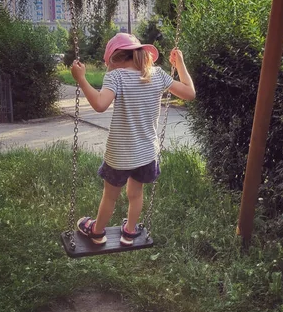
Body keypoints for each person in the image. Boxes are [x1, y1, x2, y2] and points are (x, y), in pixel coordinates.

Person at [70, 32, 196, 246]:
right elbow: (189, 93)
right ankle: (129, 233)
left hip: (119, 154)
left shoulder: (116, 77)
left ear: (115, 58)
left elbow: (100, 105)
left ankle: (97, 232)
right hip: (146, 153)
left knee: (110, 196)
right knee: (135, 195)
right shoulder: (156, 74)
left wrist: (81, 79)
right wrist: (180, 63)